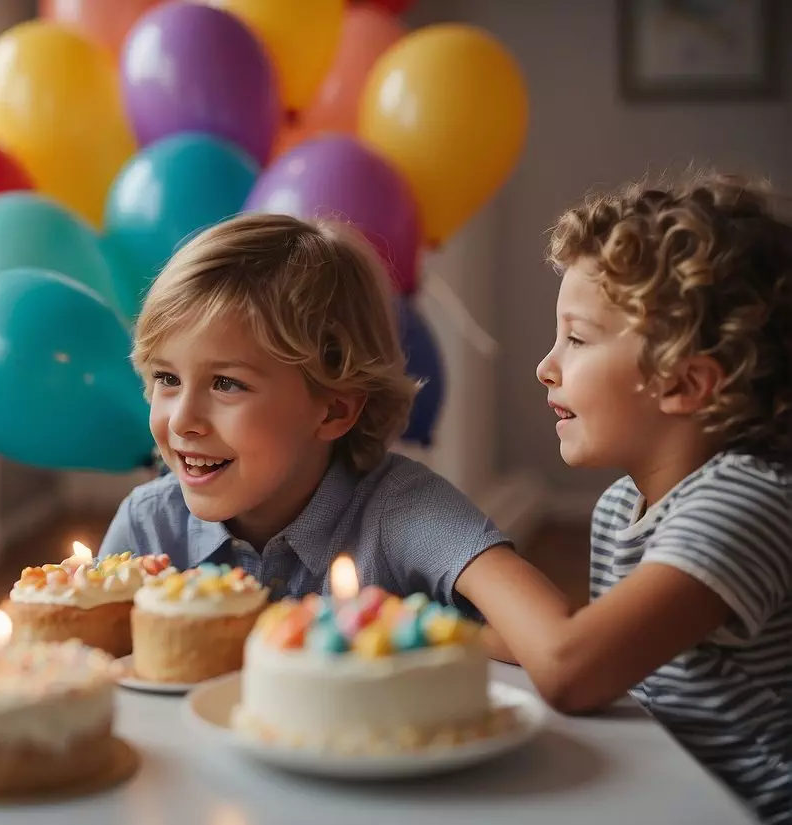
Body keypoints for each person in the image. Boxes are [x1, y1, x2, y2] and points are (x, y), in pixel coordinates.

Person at [98, 211, 572, 648]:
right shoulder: (149, 526)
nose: (181, 419)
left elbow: (553, 636)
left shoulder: (401, 510)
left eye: (226, 384)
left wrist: (390, 629)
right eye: (167, 378)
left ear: (333, 411)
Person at [523, 173, 792, 825]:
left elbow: (571, 668)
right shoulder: (621, 506)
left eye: (577, 339)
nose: (545, 366)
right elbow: (610, 654)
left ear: (683, 383)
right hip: (669, 791)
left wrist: (463, 548)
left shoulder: (748, 500)